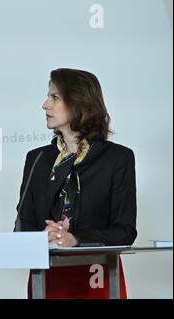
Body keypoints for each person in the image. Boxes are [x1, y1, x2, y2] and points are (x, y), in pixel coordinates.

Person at [15, 68, 137, 298]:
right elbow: (23, 222)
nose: (45, 105)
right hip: (46, 277)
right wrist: (45, 235)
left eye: (54, 97)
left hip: (98, 278)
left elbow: (124, 231)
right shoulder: (37, 158)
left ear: (78, 102)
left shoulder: (118, 158)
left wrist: (75, 238)